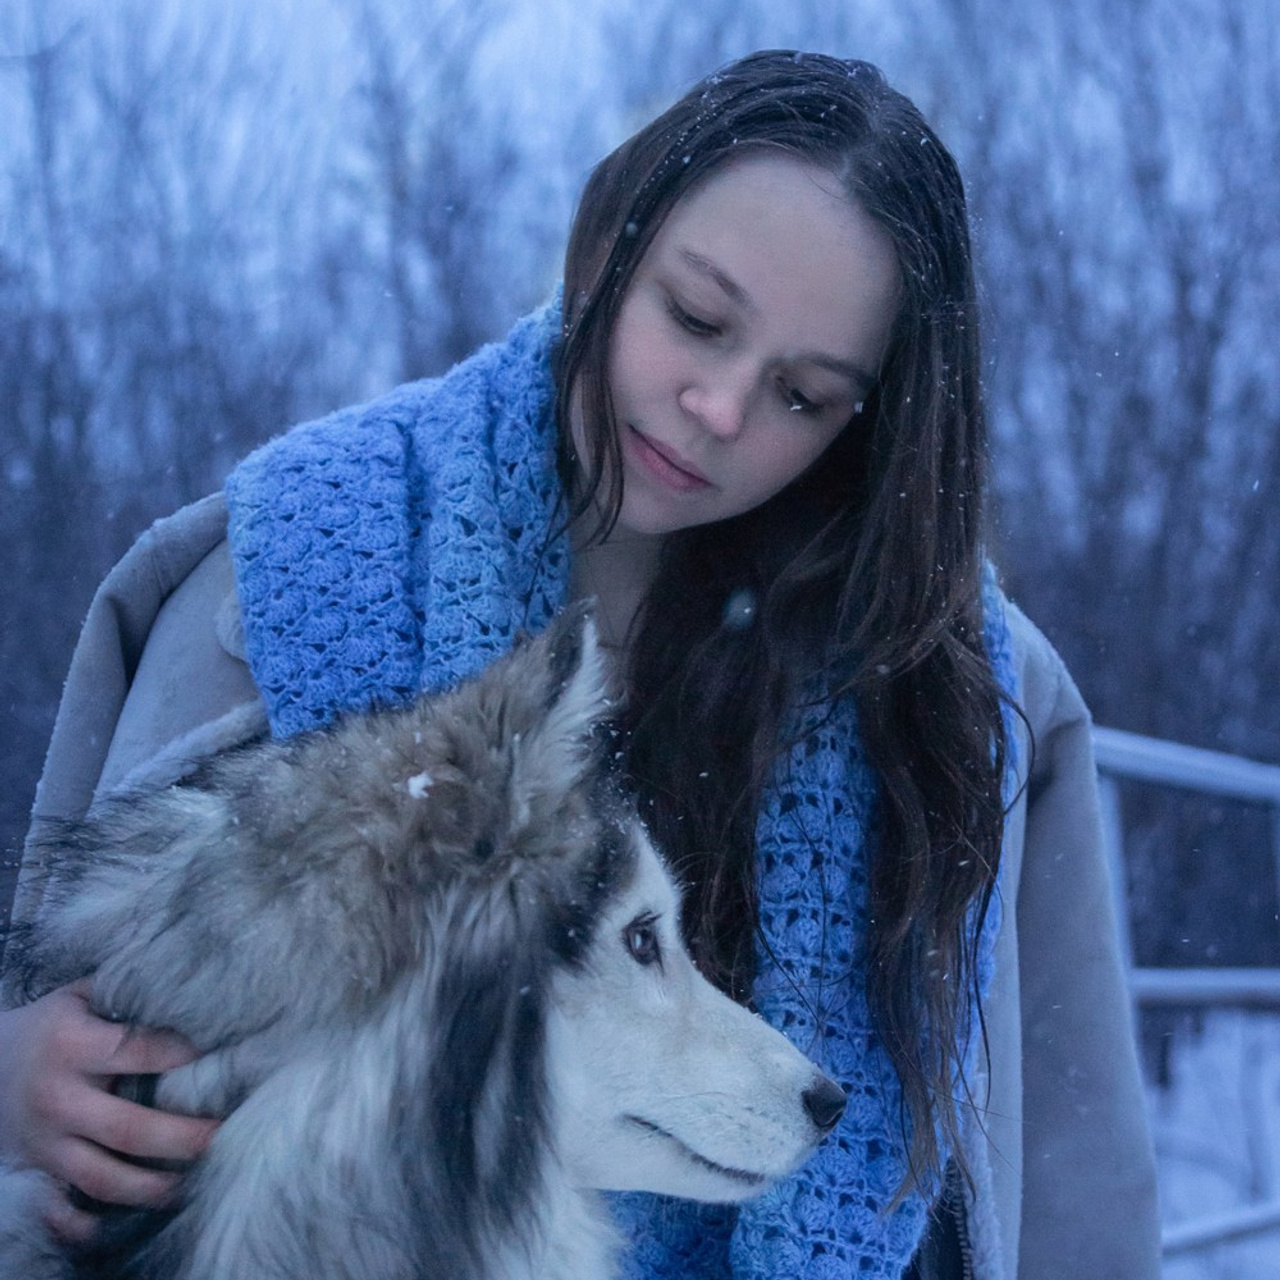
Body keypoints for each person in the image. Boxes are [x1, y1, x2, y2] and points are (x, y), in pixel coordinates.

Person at [0, 49, 1159, 1279]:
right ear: (609, 241)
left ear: (872, 422)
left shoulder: (962, 693)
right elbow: (94, 1013)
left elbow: (1069, 1164)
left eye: (803, 395)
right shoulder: (285, 567)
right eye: (695, 317)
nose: (716, 406)